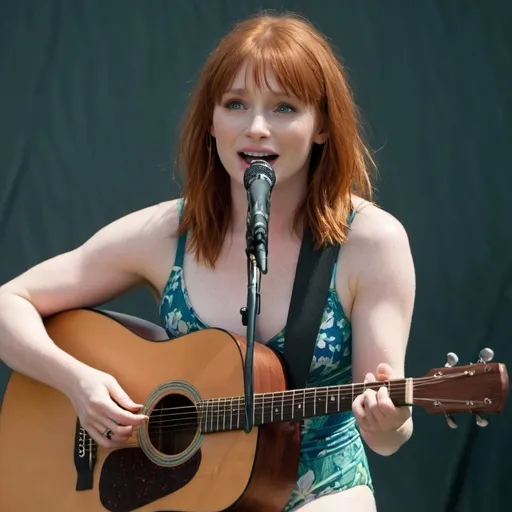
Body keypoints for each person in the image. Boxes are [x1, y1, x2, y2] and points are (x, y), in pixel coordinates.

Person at [0, 11, 415, 512]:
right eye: (235, 104)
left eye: (284, 108)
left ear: (322, 125)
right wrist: (77, 382)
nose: (256, 128)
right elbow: (10, 303)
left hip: (321, 491)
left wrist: (390, 421)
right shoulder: (167, 233)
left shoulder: (370, 242)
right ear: (211, 123)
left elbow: (388, 433)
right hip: (182, 495)